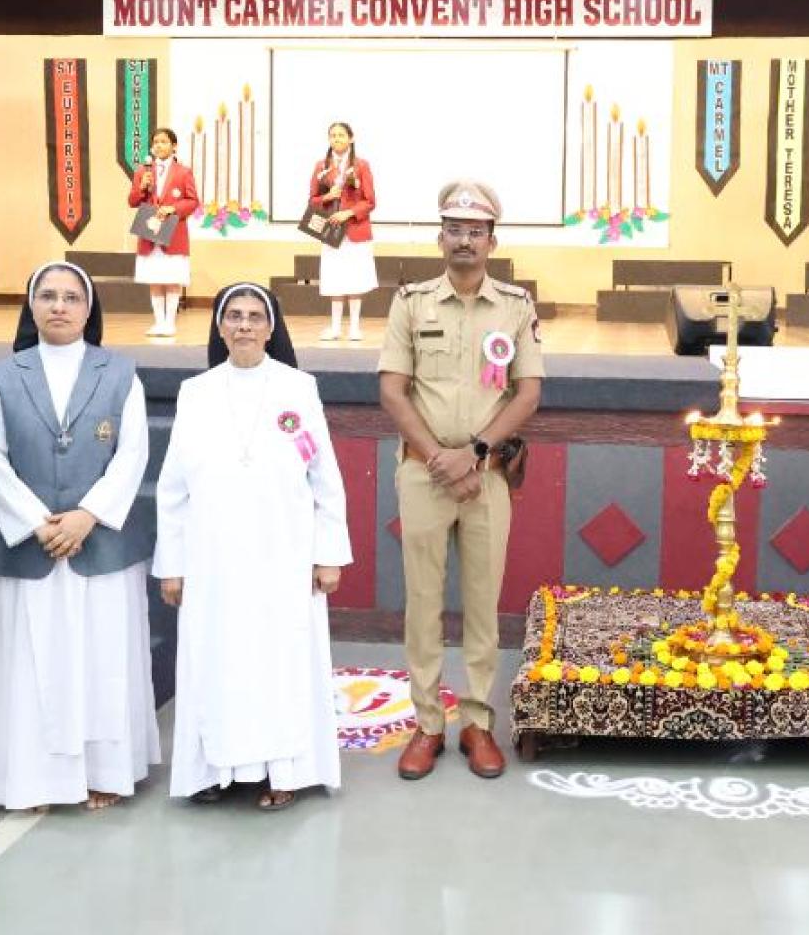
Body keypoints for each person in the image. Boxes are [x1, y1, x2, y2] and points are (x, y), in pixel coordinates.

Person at [0, 262, 160, 813]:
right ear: (30, 306)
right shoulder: (2, 378)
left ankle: (105, 773)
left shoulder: (120, 374)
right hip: (25, 547)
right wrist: (38, 522)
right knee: (26, 667)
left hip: (100, 545)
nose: (59, 305)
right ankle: (29, 780)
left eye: (71, 297)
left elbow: (133, 454)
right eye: (47, 295)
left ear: (88, 308)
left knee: (102, 661)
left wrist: (86, 516)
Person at [154, 283, 346, 809]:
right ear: (219, 327)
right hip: (212, 558)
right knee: (216, 663)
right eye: (233, 316)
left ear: (270, 327)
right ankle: (214, 772)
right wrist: (172, 565)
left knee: (279, 663)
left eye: (255, 316)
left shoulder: (298, 388)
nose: (243, 325)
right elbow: (172, 487)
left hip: (283, 553)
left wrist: (328, 554)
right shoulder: (196, 392)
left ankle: (284, 772)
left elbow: (324, 476)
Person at [378, 180, 544, 781]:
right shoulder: (411, 302)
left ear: (492, 240)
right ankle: (428, 725)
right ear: (440, 237)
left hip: (486, 477)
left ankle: (476, 722)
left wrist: (474, 454)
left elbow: (527, 393)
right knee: (422, 604)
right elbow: (392, 390)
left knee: (481, 604)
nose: (465, 240)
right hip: (424, 475)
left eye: (476, 231)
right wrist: (438, 459)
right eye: (455, 229)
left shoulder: (515, 307)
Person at [308, 121, 377, 341]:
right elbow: (313, 200)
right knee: (335, 278)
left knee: (355, 277)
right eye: (333, 135)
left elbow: (370, 201)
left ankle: (355, 327)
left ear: (351, 138)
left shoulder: (361, 165)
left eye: (341, 135)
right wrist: (328, 196)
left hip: (355, 230)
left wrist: (348, 213)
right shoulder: (321, 166)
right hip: (331, 230)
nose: (336, 139)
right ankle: (335, 327)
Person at [128, 127, 199, 338]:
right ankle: (158, 323)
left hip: (173, 231)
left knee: (171, 277)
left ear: (174, 146)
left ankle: (170, 323)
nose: (159, 145)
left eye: (164, 142)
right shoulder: (143, 171)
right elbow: (132, 201)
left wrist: (173, 208)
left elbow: (193, 201)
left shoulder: (183, 172)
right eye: (156, 142)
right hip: (150, 230)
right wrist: (142, 187)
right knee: (155, 277)